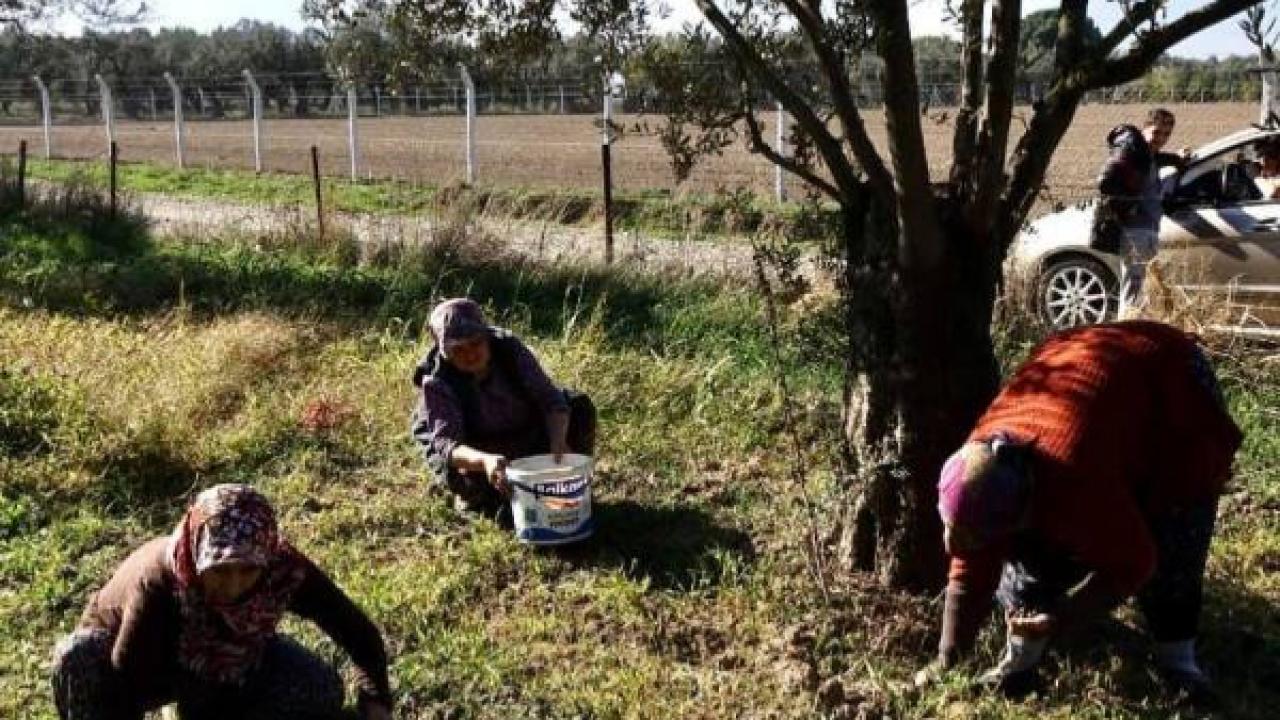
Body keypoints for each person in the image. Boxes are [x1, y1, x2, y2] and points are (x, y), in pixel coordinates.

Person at [929, 321, 1242, 701]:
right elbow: (969, 567)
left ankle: (1179, 662)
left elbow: (1136, 562)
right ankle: (1022, 663)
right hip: (1079, 365)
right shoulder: (975, 465)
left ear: (1024, 509)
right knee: (1029, 564)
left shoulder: (1076, 483)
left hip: (1169, 379)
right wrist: (947, 661)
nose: (952, 545)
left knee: (1176, 528)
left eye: (974, 535)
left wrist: (1063, 619)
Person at [51, 484, 394, 720]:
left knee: (319, 689)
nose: (233, 586)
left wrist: (375, 699)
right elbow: (128, 678)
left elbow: (357, 632)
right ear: (197, 552)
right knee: (77, 657)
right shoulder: (160, 583)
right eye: (220, 570)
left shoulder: (283, 569)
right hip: (133, 663)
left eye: (247, 571)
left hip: (227, 659)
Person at [411, 298, 597, 517]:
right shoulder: (437, 380)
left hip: (522, 430)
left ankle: (569, 482)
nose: (470, 354)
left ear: (486, 336)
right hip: (477, 447)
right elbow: (449, 446)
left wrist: (558, 441)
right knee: (496, 507)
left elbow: (551, 400)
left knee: (577, 405)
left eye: (475, 343)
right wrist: (486, 461)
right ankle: (471, 496)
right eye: (458, 349)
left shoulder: (510, 351)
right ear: (444, 351)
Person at [1096, 108, 1189, 318]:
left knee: (1140, 289)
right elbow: (1105, 183)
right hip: (1135, 231)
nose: (1161, 139)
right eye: (1156, 132)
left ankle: (1134, 329)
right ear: (1144, 129)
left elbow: (1161, 160)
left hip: (1148, 229)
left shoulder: (1149, 157)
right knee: (1132, 289)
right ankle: (1125, 330)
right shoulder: (1136, 155)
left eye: (1166, 134)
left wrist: (1178, 159)